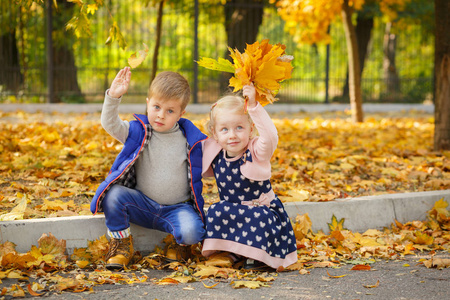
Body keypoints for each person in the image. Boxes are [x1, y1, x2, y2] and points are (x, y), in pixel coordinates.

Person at [91, 67, 207, 269]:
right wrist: (114, 96)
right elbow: (110, 124)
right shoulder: (139, 131)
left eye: (170, 111)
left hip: (177, 208)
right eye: (156, 107)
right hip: (141, 204)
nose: (161, 115)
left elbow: (213, 163)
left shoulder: (191, 140)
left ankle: (178, 244)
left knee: (192, 231)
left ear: (181, 113)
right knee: (114, 195)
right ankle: (121, 245)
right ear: (148, 103)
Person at [201, 83, 297, 271]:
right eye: (225, 130)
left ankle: (257, 256)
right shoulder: (216, 152)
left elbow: (270, 137)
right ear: (215, 133)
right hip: (234, 211)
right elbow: (191, 147)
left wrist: (253, 106)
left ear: (250, 129)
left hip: (260, 211)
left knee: (259, 218)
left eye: (239, 127)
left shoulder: (255, 152)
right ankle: (230, 252)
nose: (232, 135)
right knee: (215, 211)